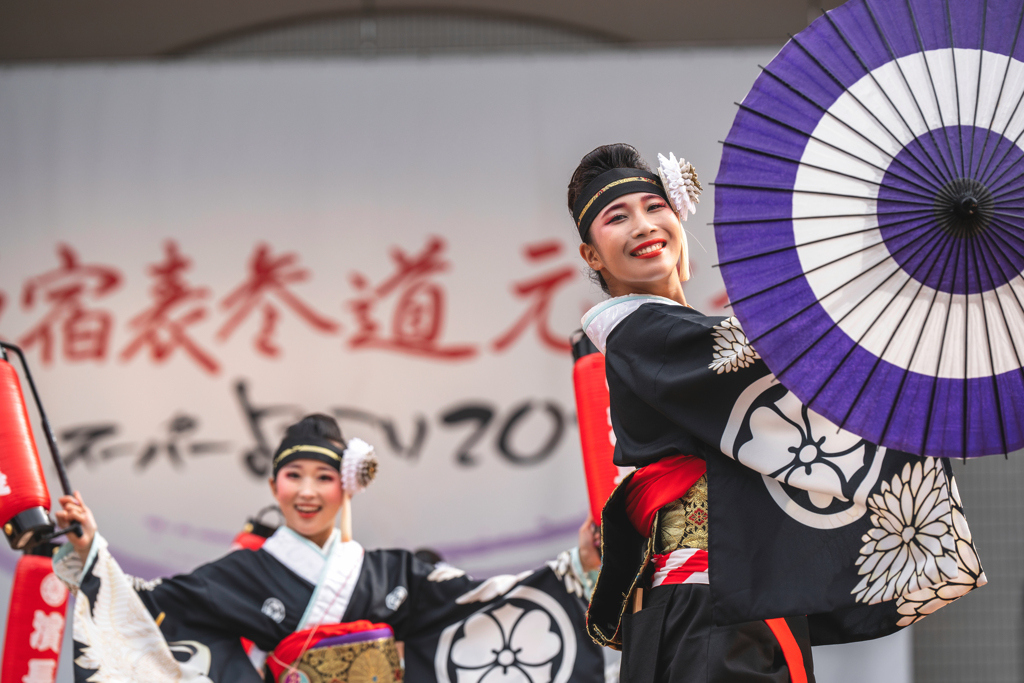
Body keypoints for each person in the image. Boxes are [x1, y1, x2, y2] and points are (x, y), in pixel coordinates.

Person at [568, 144, 986, 683]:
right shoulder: (640, 332)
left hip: (733, 593)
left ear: (677, 215)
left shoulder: (679, 333)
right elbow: (772, 359)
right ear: (592, 256)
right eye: (616, 218)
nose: (643, 225)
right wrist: (879, 290)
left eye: (654, 207)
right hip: (705, 601)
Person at [54, 413, 604, 682]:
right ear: (274, 487)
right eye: (294, 475)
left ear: (347, 487)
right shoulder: (241, 573)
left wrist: (576, 565)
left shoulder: (395, 573)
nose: (309, 491)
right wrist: (89, 554)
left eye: (324, 476)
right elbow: (146, 608)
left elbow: (479, 601)